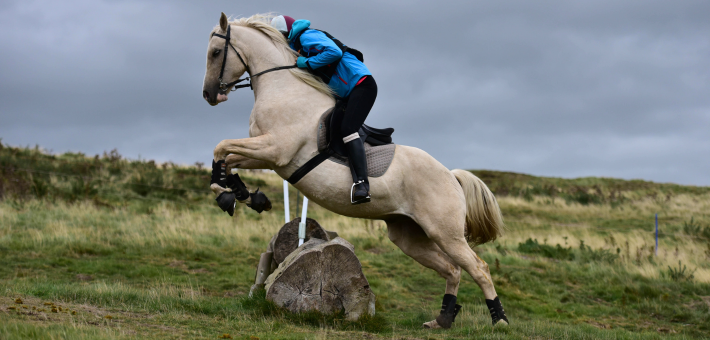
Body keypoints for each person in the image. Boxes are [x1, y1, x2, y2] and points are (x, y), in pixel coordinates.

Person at [271, 15, 377, 205]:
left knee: (348, 129)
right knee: (333, 132)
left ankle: (362, 184)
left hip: (362, 85)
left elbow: (334, 52)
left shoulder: (306, 36)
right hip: (347, 94)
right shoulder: (299, 46)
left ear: (287, 34)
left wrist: (306, 63)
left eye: (281, 38)